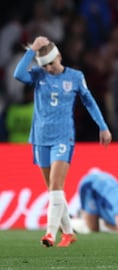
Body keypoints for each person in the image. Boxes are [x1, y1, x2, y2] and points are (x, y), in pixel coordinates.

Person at [13, 36, 112, 247]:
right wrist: (32, 50)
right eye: (44, 65)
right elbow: (18, 74)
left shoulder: (75, 77)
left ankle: (50, 233)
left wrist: (102, 126)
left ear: (59, 56)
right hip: (40, 138)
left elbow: (89, 101)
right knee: (52, 190)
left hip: (63, 137)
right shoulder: (38, 75)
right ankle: (68, 232)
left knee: (57, 186)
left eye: (51, 63)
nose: (48, 68)